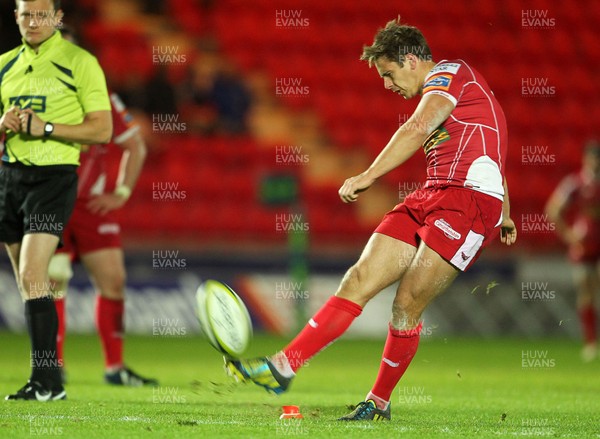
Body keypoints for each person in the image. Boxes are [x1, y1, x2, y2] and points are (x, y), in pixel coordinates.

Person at [225, 19, 517, 421]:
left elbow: (417, 128)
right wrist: (508, 209)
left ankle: (378, 402)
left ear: (411, 60)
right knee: (358, 279)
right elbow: (493, 132)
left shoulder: (450, 73)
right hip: (433, 193)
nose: (386, 85)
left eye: (389, 74)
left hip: (467, 203)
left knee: (406, 303)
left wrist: (367, 176)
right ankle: (282, 366)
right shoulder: (462, 91)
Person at [0, 0, 112, 401]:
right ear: (16, 17)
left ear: (58, 18)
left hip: (54, 178)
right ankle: (46, 379)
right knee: (27, 282)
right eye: (26, 14)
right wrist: (4, 124)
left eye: (41, 14)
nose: (33, 21)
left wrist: (44, 127)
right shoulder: (4, 64)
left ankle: (47, 382)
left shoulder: (80, 62)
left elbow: (102, 129)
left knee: (33, 273)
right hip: (9, 178)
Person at [47, 28, 155, 386]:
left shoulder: (102, 98)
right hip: (49, 203)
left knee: (115, 283)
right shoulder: (31, 96)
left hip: (91, 208)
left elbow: (135, 146)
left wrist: (122, 191)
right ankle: (53, 367)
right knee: (54, 282)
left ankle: (115, 368)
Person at [546, 140, 600, 362]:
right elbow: (553, 209)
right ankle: (590, 343)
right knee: (585, 290)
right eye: (593, 157)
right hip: (584, 243)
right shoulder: (575, 183)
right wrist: (569, 236)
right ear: (585, 159)